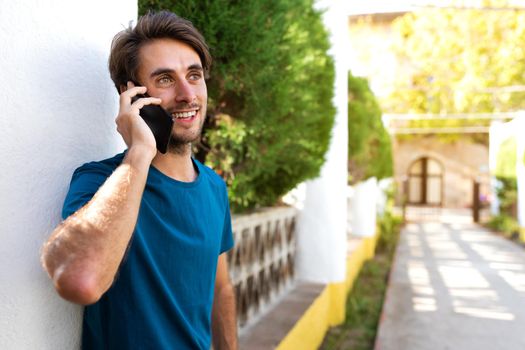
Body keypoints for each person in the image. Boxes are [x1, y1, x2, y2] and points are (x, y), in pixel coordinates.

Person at [40, 11, 237, 350]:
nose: (188, 94)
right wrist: (141, 152)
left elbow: (220, 288)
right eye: (164, 79)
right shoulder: (98, 180)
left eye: (194, 75)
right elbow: (80, 281)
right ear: (130, 94)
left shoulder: (214, 187)